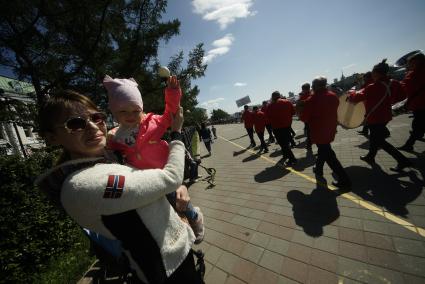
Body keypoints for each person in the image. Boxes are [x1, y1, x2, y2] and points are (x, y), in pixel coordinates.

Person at [35, 90, 203, 283]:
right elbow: (170, 178)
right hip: (167, 268)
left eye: (96, 117)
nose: (92, 126)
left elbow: (150, 192)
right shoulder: (84, 184)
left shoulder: (105, 161)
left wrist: (176, 203)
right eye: (75, 123)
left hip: (174, 251)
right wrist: (176, 133)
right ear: (52, 137)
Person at [104, 75, 204, 244]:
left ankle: (196, 218)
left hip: (166, 172)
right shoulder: (114, 136)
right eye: (123, 111)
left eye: (135, 110)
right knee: (165, 209)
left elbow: (171, 115)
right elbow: (110, 155)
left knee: (179, 201)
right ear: (113, 112)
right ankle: (181, 228)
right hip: (147, 180)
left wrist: (172, 93)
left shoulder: (151, 122)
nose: (130, 115)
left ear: (141, 109)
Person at [349, 59, 411, 171]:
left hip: (375, 117)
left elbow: (357, 97)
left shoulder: (373, 86)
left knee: (379, 141)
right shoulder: (394, 83)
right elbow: (402, 96)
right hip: (386, 115)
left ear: (376, 73)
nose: (372, 74)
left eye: (373, 72)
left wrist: (351, 94)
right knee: (375, 138)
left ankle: (403, 161)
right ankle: (370, 156)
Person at [301, 77, 351, 188]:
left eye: (313, 85)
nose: (312, 87)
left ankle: (345, 180)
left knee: (329, 156)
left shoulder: (311, 100)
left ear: (315, 86)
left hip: (319, 132)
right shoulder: (333, 96)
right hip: (330, 129)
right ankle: (318, 170)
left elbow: (304, 118)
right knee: (324, 150)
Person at [398, 52, 425, 152]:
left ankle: (409, 145)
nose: (409, 65)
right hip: (420, 103)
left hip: (420, 104)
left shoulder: (415, 74)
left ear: (417, 62)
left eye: (411, 63)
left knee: (417, 126)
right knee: (418, 125)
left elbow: (404, 88)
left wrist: (407, 73)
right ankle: (410, 143)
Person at [267, 91, 297, 166]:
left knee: (283, 144)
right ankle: (285, 155)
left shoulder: (270, 106)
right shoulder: (287, 102)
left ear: (273, 97)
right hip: (287, 126)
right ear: (279, 95)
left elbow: (268, 117)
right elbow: (293, 112)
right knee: (286, 142)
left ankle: (292, 159)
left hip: (277, 128)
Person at [357, 72, 374, 136]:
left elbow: (361, 91)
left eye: (364, 77)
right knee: (367, 119)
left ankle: (385, 132)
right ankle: (365, 131)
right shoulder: (372, 82)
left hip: (369, 104)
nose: (363, 79)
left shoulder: (369, 84)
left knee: (368, 119)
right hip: (368, 104)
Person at [297, 83, 312, 150]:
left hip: (308, 117)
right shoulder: (313, 94)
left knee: (309, 132)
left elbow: (299, 107)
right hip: (314, 116)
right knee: (311, 132)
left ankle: (309, 145)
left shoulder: (303, 97)